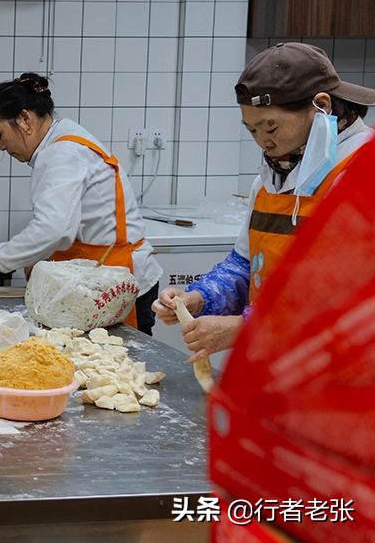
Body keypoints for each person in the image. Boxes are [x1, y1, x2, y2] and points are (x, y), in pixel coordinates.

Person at [152, 42, 374, 362]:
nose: (263, 142)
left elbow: (349, 302)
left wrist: (243, 328)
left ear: (321, 105)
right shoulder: (272, 180)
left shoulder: (362, 174)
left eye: (270, 126)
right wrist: (201, 297)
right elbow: (245, 266)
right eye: (251, 129)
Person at [0, 73, 162, 334]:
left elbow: (54, 229)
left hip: (117, 280)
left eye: (0, 135)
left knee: (121, 365)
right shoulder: (63, 140)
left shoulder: (62, 153)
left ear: (25, 119)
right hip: (97, 277)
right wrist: (38, 257)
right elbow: (67, 223)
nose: (1, 147)